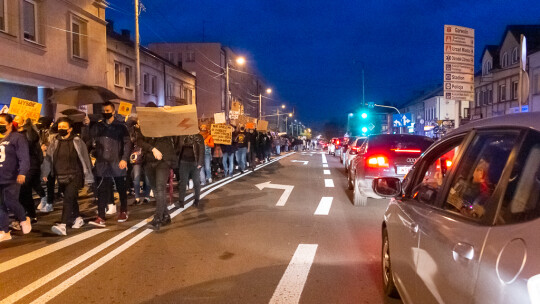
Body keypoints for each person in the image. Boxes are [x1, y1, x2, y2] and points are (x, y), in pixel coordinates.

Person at [42, 117, 94, 235]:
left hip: (75, 175)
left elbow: (85, 158)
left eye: (64, 127)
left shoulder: (77, 141)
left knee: (68, 199)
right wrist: (45, 172)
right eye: (59, 127)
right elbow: (49, 158)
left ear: (70, 129)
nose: (61, 129)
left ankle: (63, 225)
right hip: (60, 175)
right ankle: (78, 218)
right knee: (71, 199)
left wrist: (89, 175)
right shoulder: (54, 142)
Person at [88, 101, 131, 227]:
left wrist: (124, 159)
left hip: (117, 162)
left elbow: (127, 143)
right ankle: (101, 216)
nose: (105, 113)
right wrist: (87, 124)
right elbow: (91, 139)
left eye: (107, 111)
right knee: (102, 190)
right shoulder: (99, 126)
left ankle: (123, 210)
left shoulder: (121, 127)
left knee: (121, 188)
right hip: (102, 163)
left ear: (113, 111)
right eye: (103, 111)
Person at [136, 103, 178, 230]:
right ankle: (166, 216)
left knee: (159, 188)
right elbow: (138, 140)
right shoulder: (143, 124)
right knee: (156, 189)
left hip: (163, 161)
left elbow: (177, 129)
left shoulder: (165, 122)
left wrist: (169, 114)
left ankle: (158, 218)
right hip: (149, 161)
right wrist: (152, 148)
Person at [0, 113, 31, 242]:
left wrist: (22, 172)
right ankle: (4, 231)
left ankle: (23, 218)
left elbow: (24, 157)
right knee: (0, 205)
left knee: (10, 201)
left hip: (11, 176)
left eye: (2, 123)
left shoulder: (17, 138)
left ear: (9, 124)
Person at [15, 117, 45, 223]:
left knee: (23, 189)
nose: (15, 120)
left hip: (30, 166)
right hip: (17, 166)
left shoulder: (29, 133)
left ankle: (28, 215)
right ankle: (27, 214)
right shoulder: (14, 132)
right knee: (22, 192)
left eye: (18, 118)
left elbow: (32, 140)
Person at [176, 133, 204, 209]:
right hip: (183, 162)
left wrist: (200, 162)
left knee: (196, 182)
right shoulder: (182, 135)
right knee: (183, 182)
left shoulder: (198, 136)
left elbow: (201, 149)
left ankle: (197, 200)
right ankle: (181, 201)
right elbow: (177, 148)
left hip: (195, 163)